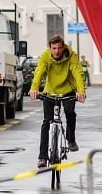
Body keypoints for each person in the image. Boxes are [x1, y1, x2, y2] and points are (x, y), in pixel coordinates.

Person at [29, 35, 86, 169]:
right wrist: (34, 88)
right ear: (50, 48)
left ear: (63, 46)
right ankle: (42, 157)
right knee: (46, 122)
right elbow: (39, 72)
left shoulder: (71, 55)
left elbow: (78, 73)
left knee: (70, 112)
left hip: (68, 90)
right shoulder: (45, 56)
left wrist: (81, 91)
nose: (57, 51)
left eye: (59, 48)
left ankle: (70, 139)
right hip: (51, 91)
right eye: (54, 48)